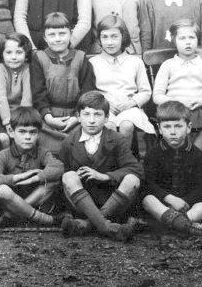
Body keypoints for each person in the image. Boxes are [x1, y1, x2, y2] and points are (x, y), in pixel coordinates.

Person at [58, 91, 141, 241]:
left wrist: (105, 176)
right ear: (78, 116)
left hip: (111, 201)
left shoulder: (116, 139)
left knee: (132, 179)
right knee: (68, 176)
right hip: (83, 202)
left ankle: (88, 224)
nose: (91, 120)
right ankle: (107, 227)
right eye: (86, 114)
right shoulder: (68, 142)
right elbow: (64, 179)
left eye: (97, 115)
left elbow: (136, 169)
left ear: (107, 118)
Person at [141, 101, 202, 238]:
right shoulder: (153, 154)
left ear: (188, 127)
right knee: (148, 200)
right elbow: (149, 184)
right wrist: (170, 199)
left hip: (188, 205)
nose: (173, 132)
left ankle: (173, 225)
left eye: (178, 126)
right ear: (159, 128)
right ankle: (189, 227)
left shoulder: (198, 155)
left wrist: (185, 201)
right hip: (163, 204)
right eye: (167, 127)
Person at [152, 20, 202, 152]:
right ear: (174, 41)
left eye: (192, 37)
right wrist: (175, 102)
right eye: (182, 38)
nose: (188, 42)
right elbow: (157, 96)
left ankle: (196, 158)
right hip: (174, 109)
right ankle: (177, 156)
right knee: (174, 124)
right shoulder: (168, 65)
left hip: (198, 108)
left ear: (197, 40)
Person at [29, 12, 96, 152]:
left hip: (75, 117)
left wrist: (77, 117)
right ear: (44, 38)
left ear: (70, 34)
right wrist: (48, 117)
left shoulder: (81, 58)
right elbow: (38, 92)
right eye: (52, 35)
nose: (58, 39)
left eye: (62, 33)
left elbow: (87, 91)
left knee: (83, 143)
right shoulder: (39, 58)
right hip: (47, 117)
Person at [0, 107, 64, 227]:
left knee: (53, 182)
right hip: (11, 199)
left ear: (39, 134)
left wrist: (36, 177)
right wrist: (17, 177)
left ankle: (14, 215)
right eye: (22, 132)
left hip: (33, 197)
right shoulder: (3, 155)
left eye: (32, 132)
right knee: (1, 190)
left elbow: (58, 167)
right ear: (11, 132)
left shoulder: (42, 152)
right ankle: (42, 218)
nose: (27, 137)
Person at [88, 16, 154, 148]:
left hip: (129, 107)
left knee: (126, 125)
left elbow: (145, 91)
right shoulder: (93, 63)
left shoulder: (135, 62)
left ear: (123, 37)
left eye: (114, 37)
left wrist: (131, 103)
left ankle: (125, 160)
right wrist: (103, 103)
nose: (110, 42)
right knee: (108, 125)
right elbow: (90, 91)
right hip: (104, 108)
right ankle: (111, 162)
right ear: (99, 39)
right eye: (105, 37)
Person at [0, 33, 34, 149]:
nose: (14, 57)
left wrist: (21, 121)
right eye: (9, 53)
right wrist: (7, 122)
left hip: (24, 115)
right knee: (3, 138)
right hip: (3, 115)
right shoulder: (0, 69)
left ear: (26, 55)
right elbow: (0, 98)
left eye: (19, 52)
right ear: (2, 54)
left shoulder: (28, 69)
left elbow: (27, 97)